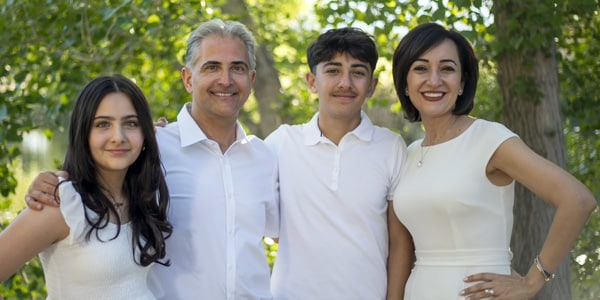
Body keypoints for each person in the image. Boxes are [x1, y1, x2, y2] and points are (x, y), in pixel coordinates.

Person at [24, 19, 279, 299]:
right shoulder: (148, 150)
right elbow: (90, 179)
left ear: (251, 80)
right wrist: (56, 180)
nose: (226, 80)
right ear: (187, 78)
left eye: (238, 68)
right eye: (212, 67)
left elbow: (295, 235)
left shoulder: (266, 158)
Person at [389, 22, 597, 299]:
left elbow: (578, 199)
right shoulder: (411, 151)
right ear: (405, 82)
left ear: (462, 83)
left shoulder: (489, 139)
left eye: (447, 68)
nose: (434, 80)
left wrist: (532, 281)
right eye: (421, 68)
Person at [265, 27, 412, 299]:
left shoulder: (391, 147)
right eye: (333, 71)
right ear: (312, 81)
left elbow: (401, 243)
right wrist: (161, 138)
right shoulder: (281, 143)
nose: (345, 82)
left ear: (371, 86)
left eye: (357, 72)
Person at [0, 75, 172, 299]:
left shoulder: (142, 197)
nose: (118, 137)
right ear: (83, 133)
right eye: (103, 124)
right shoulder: (60, 203)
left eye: (130, 123)